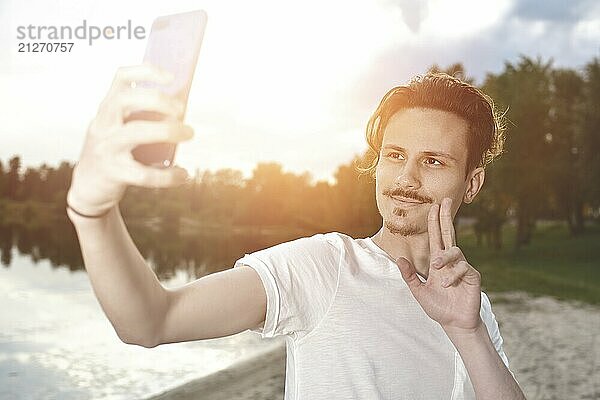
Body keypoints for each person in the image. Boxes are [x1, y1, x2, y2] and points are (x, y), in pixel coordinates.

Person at [66, 65, 527, 399]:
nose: (406, 178)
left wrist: (469, 334)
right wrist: (92, 211)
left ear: (472, 183)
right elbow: (151, 321)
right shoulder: (323, 268)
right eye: (394, 155)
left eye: (433, 161)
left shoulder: (474, 307)